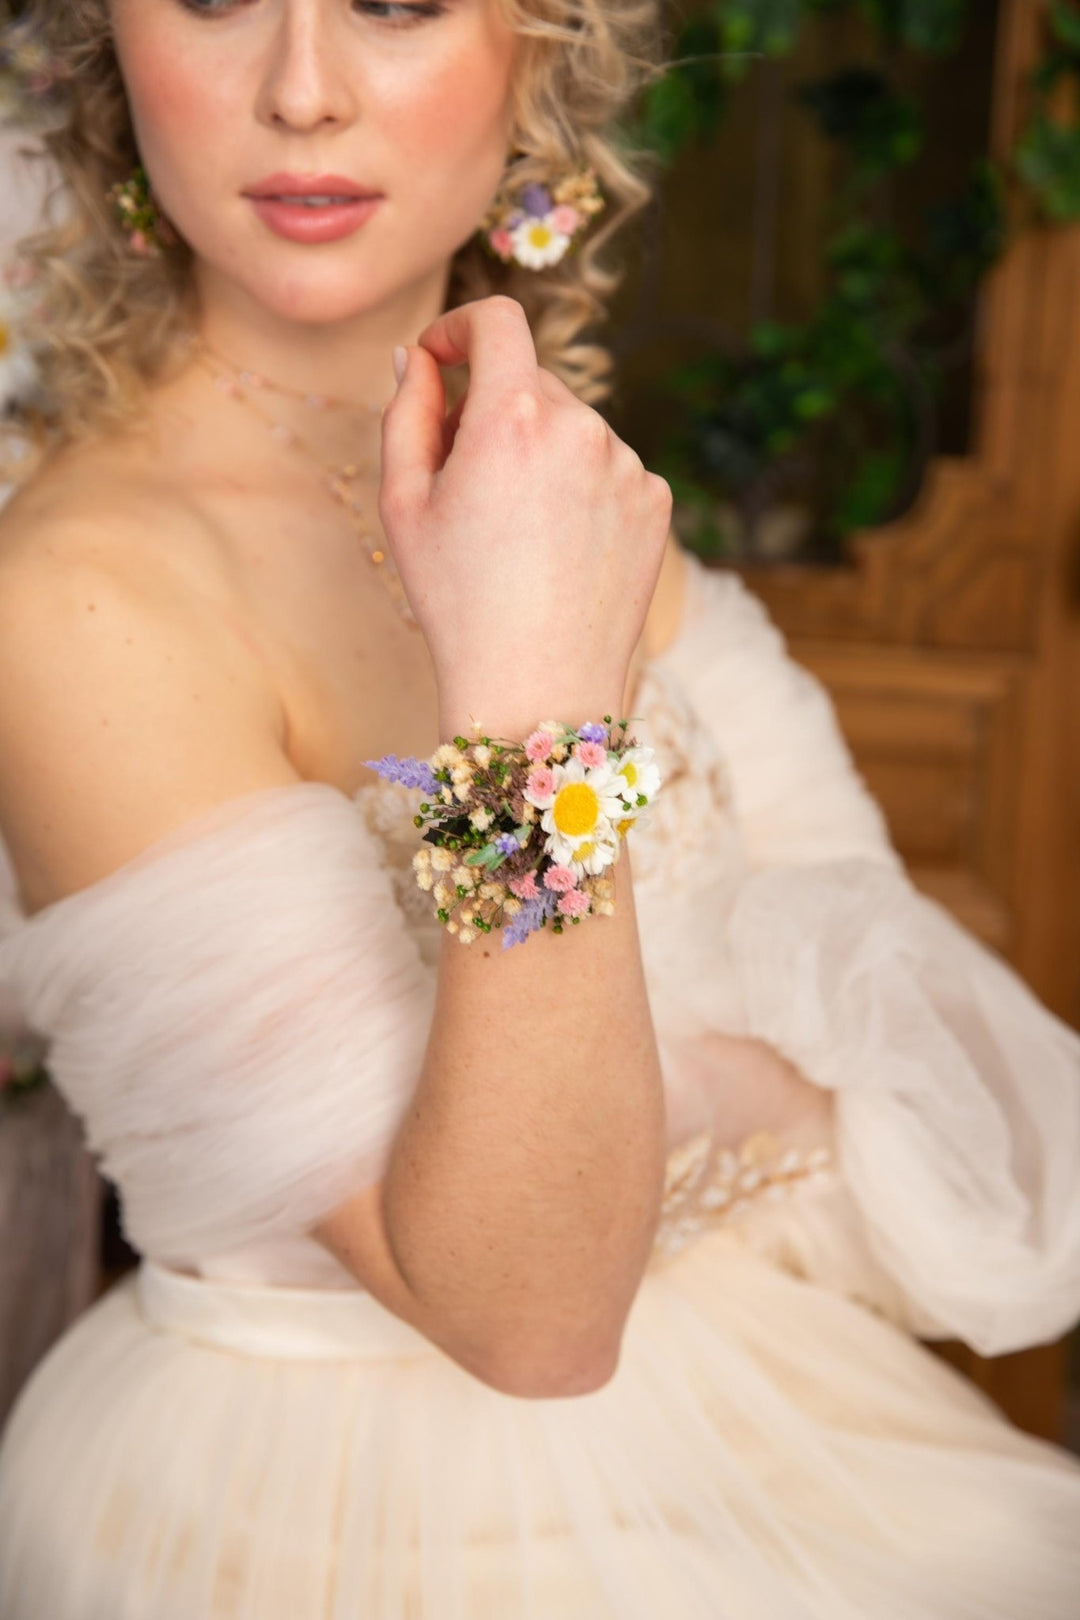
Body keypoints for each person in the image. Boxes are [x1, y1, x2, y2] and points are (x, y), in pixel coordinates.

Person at [0, 0, 1078, 1613]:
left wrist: (616, 1112)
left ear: (539, 54)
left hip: (774, 1425)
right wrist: (531, 705)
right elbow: (528, 1308)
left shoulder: (567, 484)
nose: (303, 92)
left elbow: (910, 996)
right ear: (106, 53)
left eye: (396, 3)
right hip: (328, 1521)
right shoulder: (77, 599)